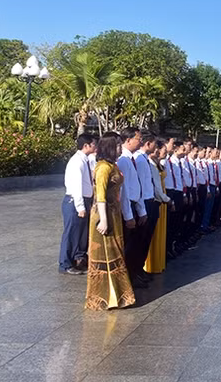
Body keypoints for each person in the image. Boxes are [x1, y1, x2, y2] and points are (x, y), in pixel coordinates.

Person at [85, 132, 136, 310]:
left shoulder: (112, 165)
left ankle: (119, 294)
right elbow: (100, 195)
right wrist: (104, 220)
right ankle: (101, 296)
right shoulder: (102, 168)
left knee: (116, 253)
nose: (120, 149)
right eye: (117, 146)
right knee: (103, 255)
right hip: (103, 216)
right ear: (109, 148)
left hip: (114, 214)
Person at [59, 133, 96, 275]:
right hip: (74, 201)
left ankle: (77, 260)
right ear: (86, 146)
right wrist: (80, 206)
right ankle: (65, 264)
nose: (95, 147)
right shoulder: (77, 162)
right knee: (71, 233)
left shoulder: (85, 160)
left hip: (84, 200)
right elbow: (76, 186)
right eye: (93, 144)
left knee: (80, 234)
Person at [117, 127, 148, 289]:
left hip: (135, 206)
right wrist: (129, 215)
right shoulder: (123, 160)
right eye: (138, 138)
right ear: (128, 140)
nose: (140, 141)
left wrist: (142, 210)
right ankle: (128, 277)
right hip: (128, 208)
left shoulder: (131, 159)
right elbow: (125, 191)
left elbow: (137, 187)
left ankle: (135, 273)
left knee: (136, 245)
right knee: (129, 247)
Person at [133, 130, 160, 280]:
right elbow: (140, 186)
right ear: (148, 144)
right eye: (154, 144)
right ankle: (135, 270)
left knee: (146, 239)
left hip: (150, 201)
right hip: (144, 203)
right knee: (140, 240)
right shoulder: (140, 160)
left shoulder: (144, 159)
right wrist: (142, 208)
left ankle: (139, 269)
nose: (156, 147)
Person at [145, 139, 172, 274]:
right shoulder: (149, 163)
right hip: (158, 197)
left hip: (161, 197)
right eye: (159, 148)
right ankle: (151, 264)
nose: (159, 151)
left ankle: (158, 261)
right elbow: (156, 186)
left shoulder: (158, 163)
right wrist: (167, 199)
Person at [162, 138, 184, 258]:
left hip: (177, 191)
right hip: (169, 192)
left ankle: (172, 245)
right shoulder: (165, 161)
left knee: (177, 221)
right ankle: (167, 249)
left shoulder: (175, 162)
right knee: (170, 223)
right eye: (171, 143)